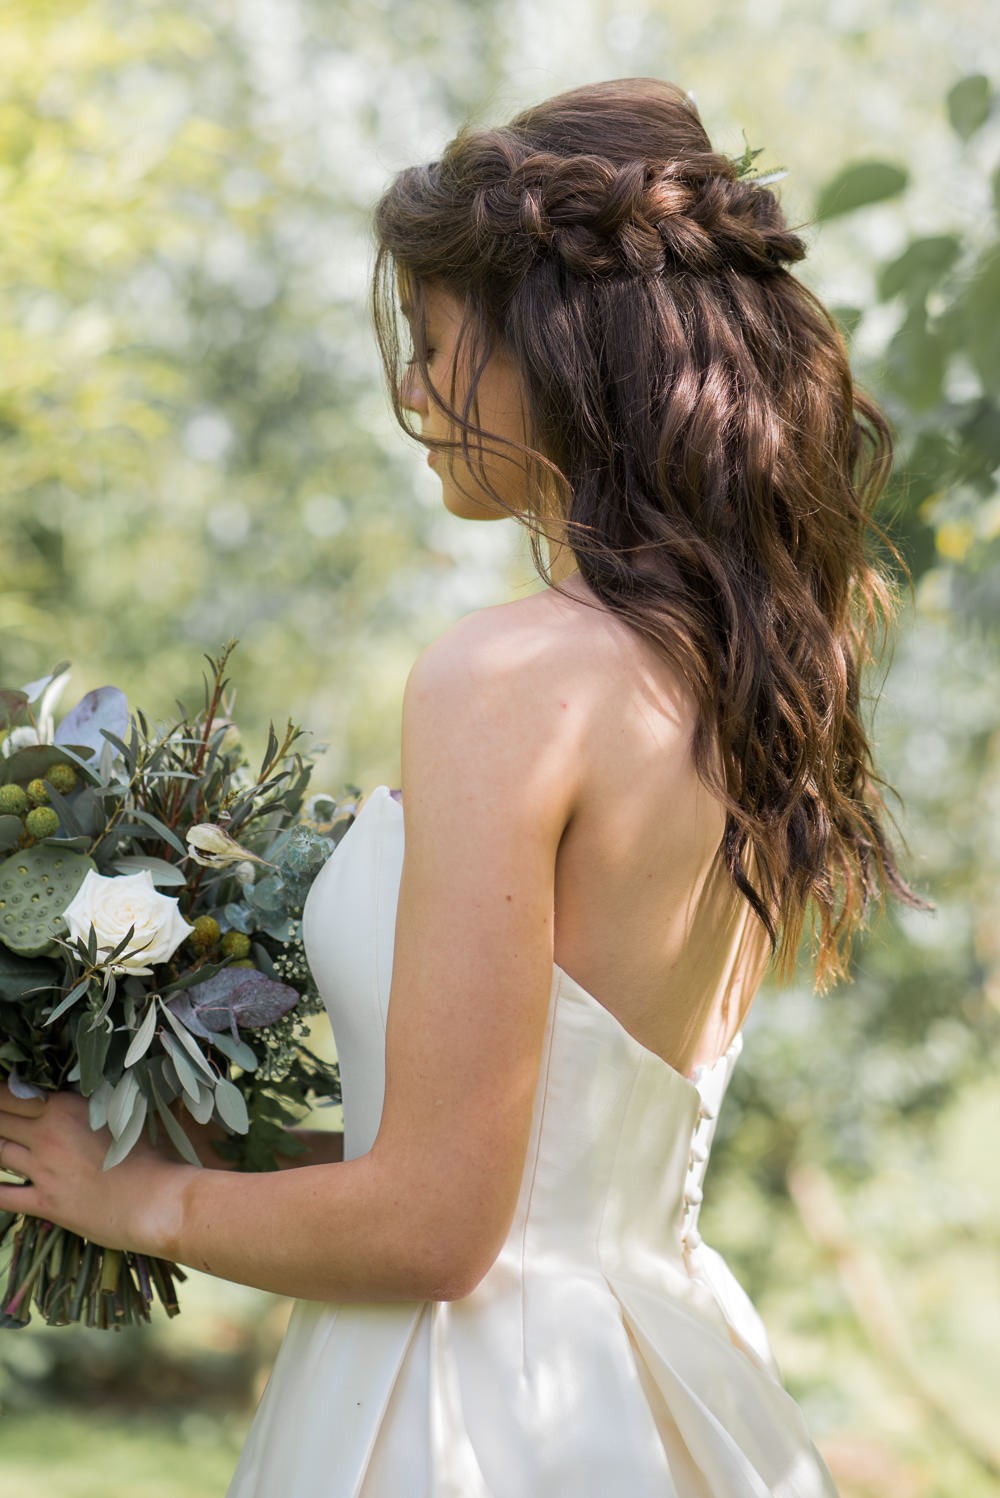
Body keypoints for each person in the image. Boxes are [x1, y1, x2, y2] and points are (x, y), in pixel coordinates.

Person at [0, 77, 929, 1496]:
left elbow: (443, 1226)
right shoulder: (736, 675)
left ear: (555, 355)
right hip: (651, 1368)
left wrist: (135, 1198)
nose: (417, 395)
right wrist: (236, 1150)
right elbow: (530, 1152)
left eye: (438, 346)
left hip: (476, 1416)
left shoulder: (504, 680)